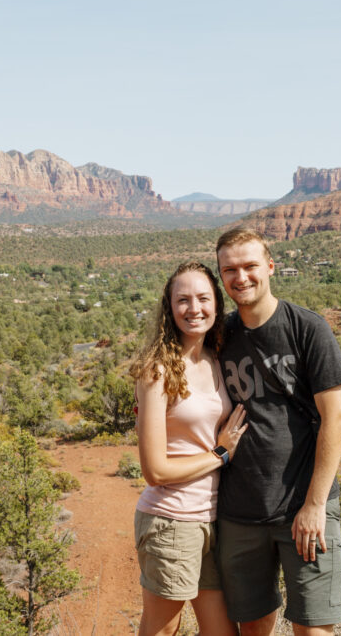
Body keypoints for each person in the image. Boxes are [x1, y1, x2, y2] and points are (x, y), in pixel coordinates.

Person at [214, 228, 341, 635]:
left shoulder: (307, 329)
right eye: (230, 269)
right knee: (254, 628)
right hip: (240, 512)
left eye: (250, 266)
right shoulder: (219, 336)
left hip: (304, 507)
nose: (241, 277)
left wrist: (314, 506)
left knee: (313, 627)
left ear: (270, 266)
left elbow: (337, 419)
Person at [130, 261, 249, 636]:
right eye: (182, 300)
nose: (193, 308)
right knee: (163, 630)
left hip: (213, 521)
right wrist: (220, 453)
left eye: (202, 298)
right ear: (169, 307)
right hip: (171, 520)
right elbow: (156, 471)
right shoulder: (157, 371)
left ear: (216, 304)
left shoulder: (216, 360)